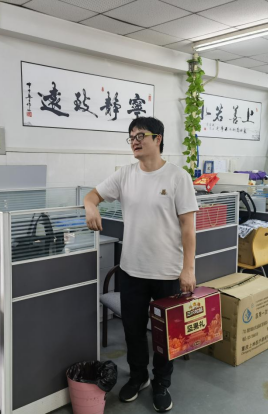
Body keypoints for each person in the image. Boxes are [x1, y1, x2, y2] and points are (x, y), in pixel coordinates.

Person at [84, 117, 198, 413]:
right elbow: (92, 194)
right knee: (133, 330)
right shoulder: (125, 175)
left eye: (140, 135)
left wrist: (188, 269)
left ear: (157, 139)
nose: (134, 141)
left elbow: (188, 227)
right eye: (131, 137)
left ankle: (162, 382)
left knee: (164, 334)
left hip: (167, 271)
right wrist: (90, 206)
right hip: (132, 270)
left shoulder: (178, 177)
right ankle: (138, 377)